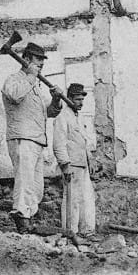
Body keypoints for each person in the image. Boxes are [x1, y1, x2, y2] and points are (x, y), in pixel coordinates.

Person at [2, 42, 63, 233]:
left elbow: (49, 112)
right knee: (25, 180)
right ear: (26, 59)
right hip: (22, 138)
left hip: (36, 140)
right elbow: (15, 96)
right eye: (38, 59)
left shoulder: (35, 86)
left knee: (36, 186)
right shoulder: (15, 80)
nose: (41, 64)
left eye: (43, 60)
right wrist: (30, 76)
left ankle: (29, 217)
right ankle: (21, 219)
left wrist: (56, 99)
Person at [53, 83, 96, 236]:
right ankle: (71, 232)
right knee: (72, 200)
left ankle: (85, 231)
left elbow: (84, 141)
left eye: (82, 99)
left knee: (86, 198)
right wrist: (65, 165)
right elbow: (59, 143)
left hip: (82, 165)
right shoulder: (62, 117)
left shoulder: (79, 118)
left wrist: (90, 160)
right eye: (77, 99)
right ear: (69, 99)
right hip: (72, 165)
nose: (81, 103)